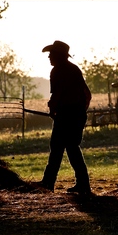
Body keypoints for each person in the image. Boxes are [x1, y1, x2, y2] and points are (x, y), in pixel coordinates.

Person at [34, 40, 92, 194]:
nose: (49, 57)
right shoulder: (74, 69)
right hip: (76, 115)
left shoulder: (58, 71)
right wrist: (79, 111)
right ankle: (82, 184)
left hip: (67, 116)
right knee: (71, 148)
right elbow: (87, 94)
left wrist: (54, 109)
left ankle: (49, 182)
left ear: (58, 55)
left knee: (58, 148)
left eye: (51, 54)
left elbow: (57, 94)